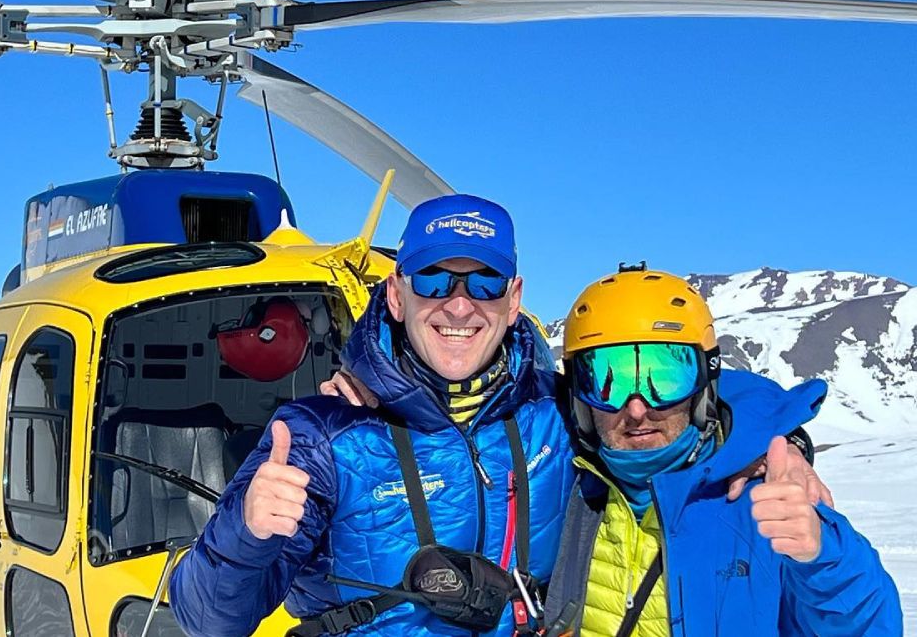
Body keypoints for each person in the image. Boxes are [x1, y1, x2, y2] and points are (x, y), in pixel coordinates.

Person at [169, 194, 577, 636]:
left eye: (485, 283)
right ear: (397, 295)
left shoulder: (562, 415)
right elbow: (207, 622)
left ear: (513, 300)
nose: (459, 305)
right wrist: (244, 533)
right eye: (433, 280)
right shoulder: (322, 436)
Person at [540, 265, 902, 635]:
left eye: (664, 379)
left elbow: (870, 626)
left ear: (703, 389)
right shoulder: (566, 485)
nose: (636, 409)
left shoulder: (767, 503)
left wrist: (821, 557)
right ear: (580, 400)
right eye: (605, 382)